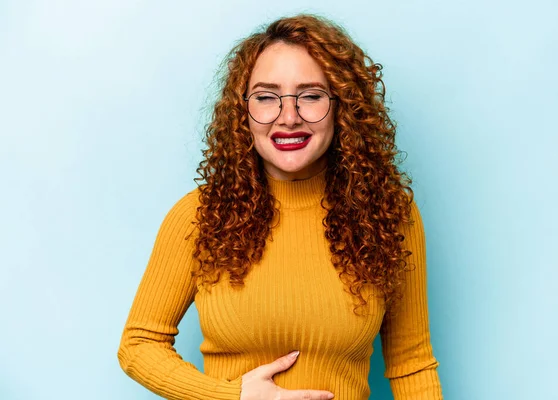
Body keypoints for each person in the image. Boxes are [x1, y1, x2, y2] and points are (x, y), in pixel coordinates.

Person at [117, 14, 443, 400]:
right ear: (243, 111)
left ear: (342, 108)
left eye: (310, 96)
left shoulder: (387, 213)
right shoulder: (199, 216)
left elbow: (412, 364)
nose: (289, 118)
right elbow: (138, 344)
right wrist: (230, 396)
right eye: (267, 97)